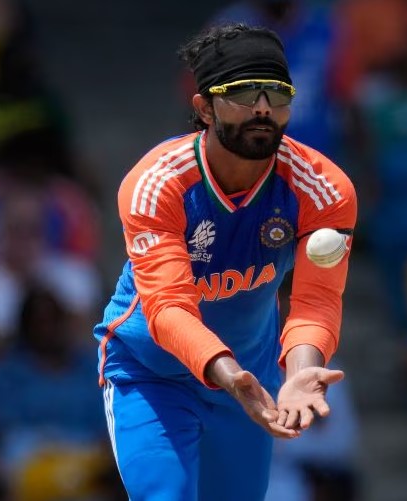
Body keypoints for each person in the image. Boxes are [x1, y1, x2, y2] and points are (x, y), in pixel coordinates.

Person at [93, 23, 357, 501]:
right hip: (151, 373)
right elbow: (168, 308)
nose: (263, 108)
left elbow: (316, 300)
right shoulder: (158, 183)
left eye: (277, 94)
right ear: (204, 108)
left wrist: (300, 372)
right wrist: (229, 375)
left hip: (251, 379)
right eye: (244, 93)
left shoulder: (323, 188)